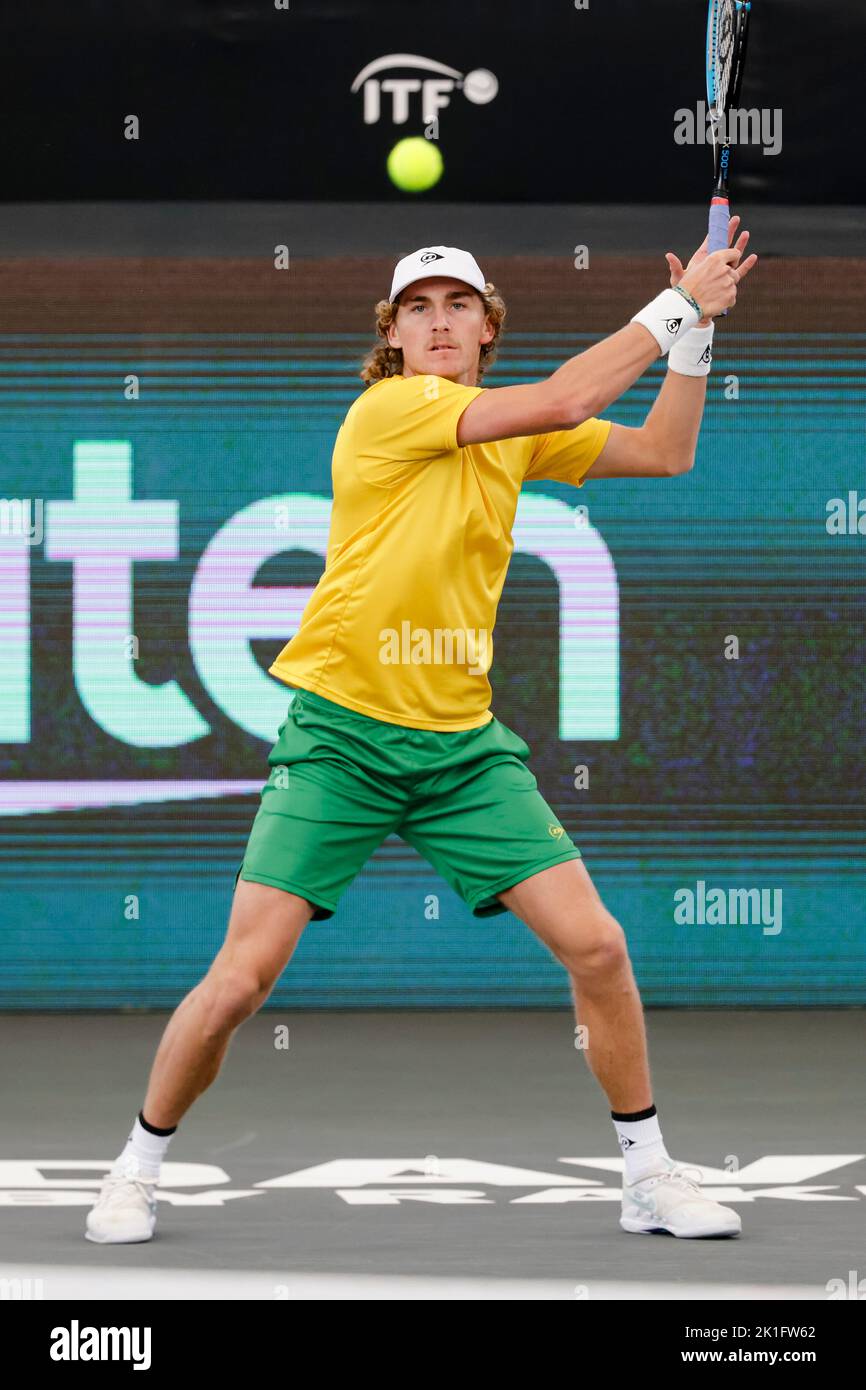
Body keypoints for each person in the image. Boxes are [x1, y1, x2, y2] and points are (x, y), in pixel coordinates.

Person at [86, 229, 758, 1244]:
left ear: (486, 327)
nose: (437, 322)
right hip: (340, 742)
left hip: (459, 749)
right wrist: (674, 306)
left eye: (456, 305)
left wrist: (695, 334)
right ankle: (134, 1170)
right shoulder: (391, 411)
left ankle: (645, 1173)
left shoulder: (507, 431)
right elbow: (568, 398)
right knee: (238, 983)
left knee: (597, 946)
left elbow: (664, 451)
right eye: (416, 308)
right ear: (392, 338)